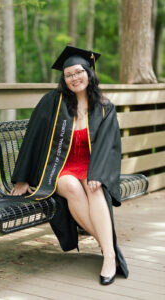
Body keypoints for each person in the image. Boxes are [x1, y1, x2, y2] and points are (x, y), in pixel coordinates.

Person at [10, 45, 129, 285]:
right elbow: (33, 135)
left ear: (89, 72)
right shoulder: (53, 102)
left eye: (78, 72)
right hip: (58, 168)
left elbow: (109, 145)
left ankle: (107, 254)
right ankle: (110, 250)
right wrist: (23, 177)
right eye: (68, 75)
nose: (74, 78)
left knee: (95, 188)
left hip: (90, 165)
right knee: (73, 188)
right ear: (64, 79)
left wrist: (98, 173)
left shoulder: (104, 107)